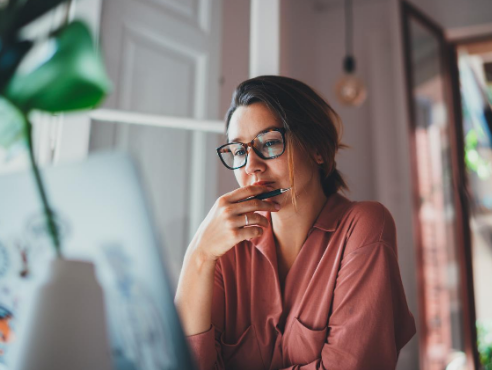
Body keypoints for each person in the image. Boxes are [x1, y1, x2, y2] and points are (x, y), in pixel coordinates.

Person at [174, 76, 415, 370]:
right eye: (239, 151)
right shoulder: (225, 249)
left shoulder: (363, 227)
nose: (251, 166)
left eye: (270, 143)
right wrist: (198, 255)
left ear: (317, 149)